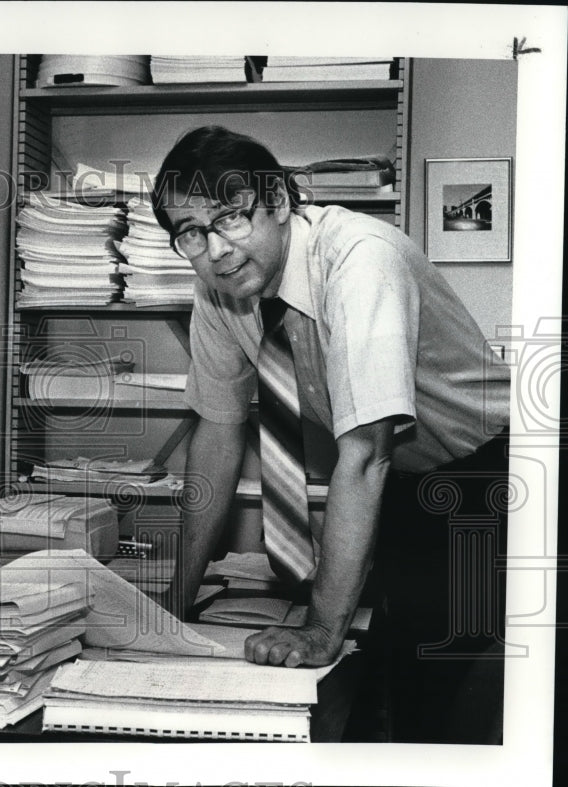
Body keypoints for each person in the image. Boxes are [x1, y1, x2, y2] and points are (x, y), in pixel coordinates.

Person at [151, 126, 511, 743]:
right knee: (380, 679)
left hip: (496, 470)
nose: (214, 248)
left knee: (447, 688)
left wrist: (319, 630)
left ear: (282, 203)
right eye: (190, 232)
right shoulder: (221, 287)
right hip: (407, 476)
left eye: (231, 217)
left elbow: (365, 454)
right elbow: (215, 438)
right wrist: (167, 610)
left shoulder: (359, 257)